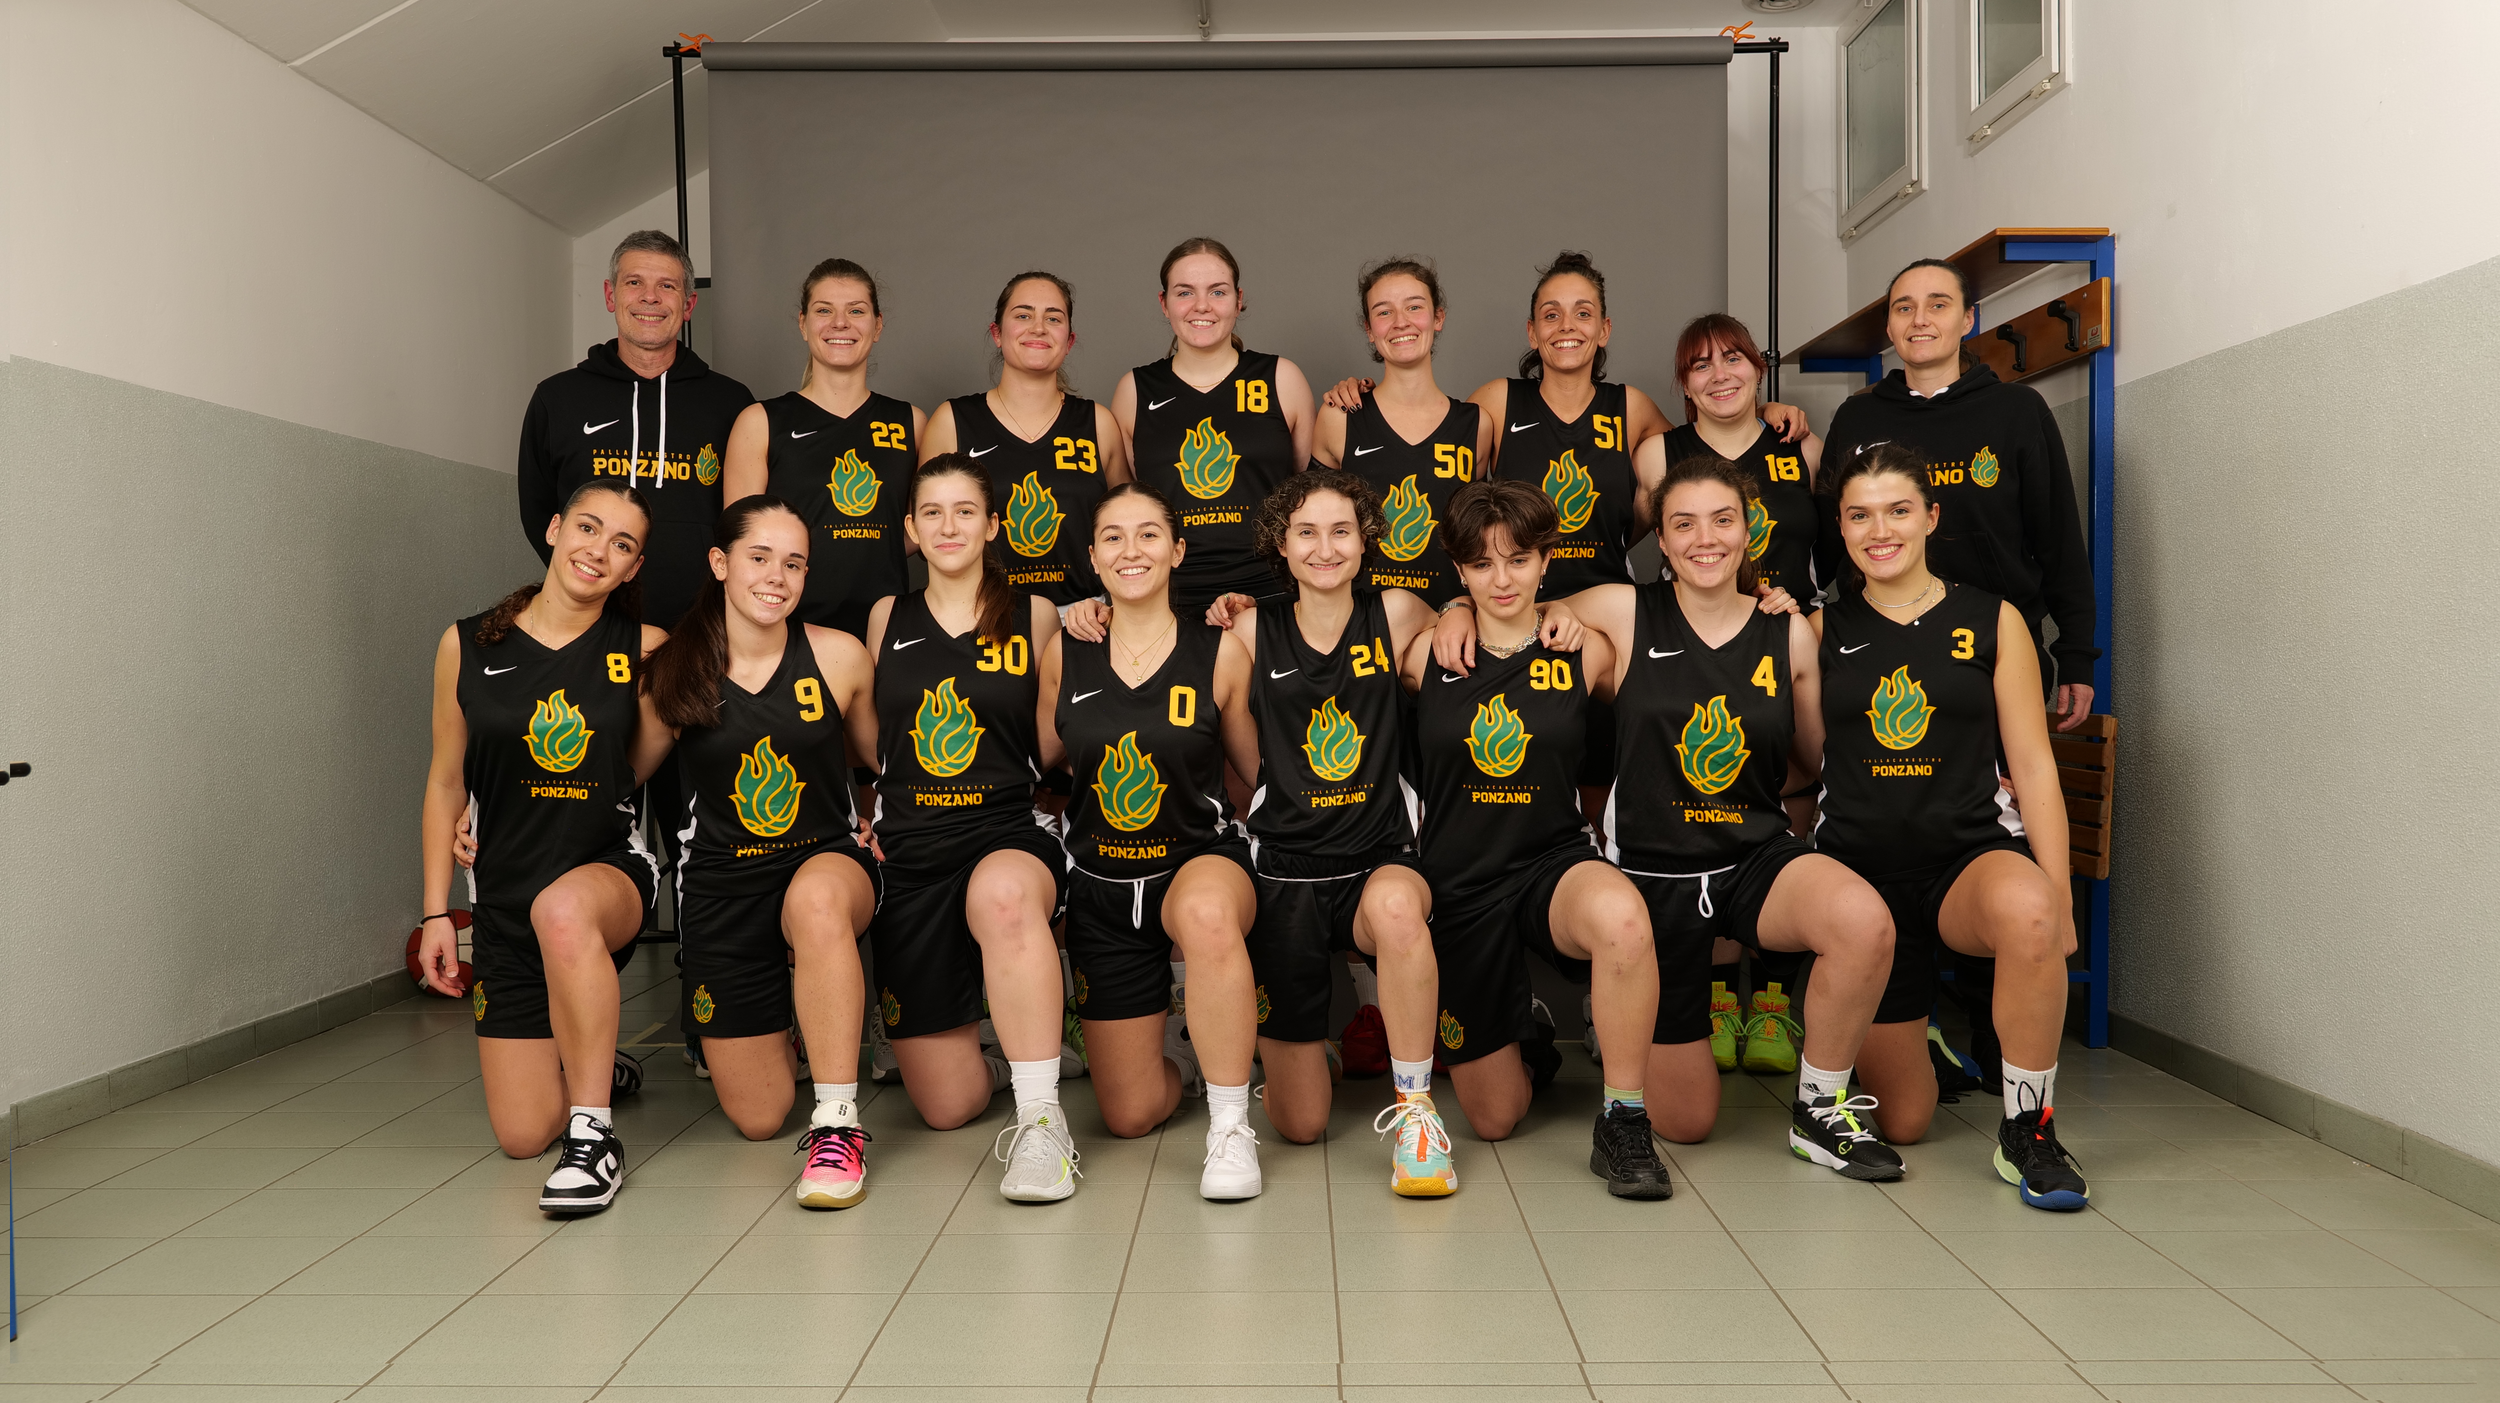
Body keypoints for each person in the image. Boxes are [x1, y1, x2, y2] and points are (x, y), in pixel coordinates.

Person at [1556, 457, 1901, 1177]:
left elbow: (1818, 760)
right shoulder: (1624, 610)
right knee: (1687, 1122)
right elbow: (1513, 603)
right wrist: (1459, 612)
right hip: (1651, 878)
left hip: (1754, 859)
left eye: (1722, 520)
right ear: (1661, 539)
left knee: (1863, 921)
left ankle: (1820, 1108)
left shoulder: (1789, 633)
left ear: (1748, 532)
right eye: (1683, 524)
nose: (1704, 538)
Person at [1813, 444, 2087, 1210]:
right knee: (1906, 1120)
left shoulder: (1993, 619)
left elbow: (2033, 766)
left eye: (1898, 510)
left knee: (2031, 909)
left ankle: (2030, 1127)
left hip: (1967, 859)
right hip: (1864, 880)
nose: (1880, 530)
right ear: (1840, 527)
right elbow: (1797, 761)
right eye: (1860, 515)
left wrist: (2059, 894)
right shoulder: (1817, 629)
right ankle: (1905, 1044)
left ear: (1931, 517)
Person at [1399, 479, 1671, 1199]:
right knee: (1495, 1119)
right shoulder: (1425, 651)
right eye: (1481, 564)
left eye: (1519, 559)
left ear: (1546, 560)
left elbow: (1680, 626)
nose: (1502, 579)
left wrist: (1769, 599)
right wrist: (1454, 610)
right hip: (1460, 883)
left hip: (1553, 862)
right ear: (1458, 569)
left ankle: (1624, 1119)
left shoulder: (1584, 650)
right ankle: (1529, 1037)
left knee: (1622, 917)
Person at [416, 482, 665, 1213]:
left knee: (563, 911)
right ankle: (588, 1053)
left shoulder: (647, 650)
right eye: (587, 528)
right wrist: (436, 912)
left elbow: (639, 766)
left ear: (634, 567)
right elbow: (446, 781)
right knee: (523, 1135)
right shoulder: (466, 643)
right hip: (505, 896)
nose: (598, 550)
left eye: (622, 544)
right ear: (554, 529)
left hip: (606, 876)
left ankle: (595, 1137)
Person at [1209, 470, 1453, 1194]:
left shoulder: (1398, 612)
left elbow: (1461, 623)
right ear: (1281, 545)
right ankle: (1306, 1060)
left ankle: (1416, 1112)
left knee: (1400, 911)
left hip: (1379, 856)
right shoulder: (1250, 629)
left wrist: (1460, 609)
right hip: (1285, 868)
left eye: (1341, 530)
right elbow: (1245, 754)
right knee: (1300, 1122)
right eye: (1307, 533)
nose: (1325, 547)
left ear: (1366, 539)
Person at [634, 497, 882, 1209]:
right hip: (721, 883)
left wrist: (881, 821)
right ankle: (800, 1026)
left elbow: (885, 765)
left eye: (794, 563)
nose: (778, 576)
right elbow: (617, 783)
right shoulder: (672, 669)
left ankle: (837, 1123)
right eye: (760, 557)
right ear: (720, 563)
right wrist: (481, 809)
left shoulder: (838, 655)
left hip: (826, 861)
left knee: (816, 900)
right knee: (760, 1115)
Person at [1037, 482, 1267, 1200]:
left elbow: (1257, 776)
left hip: (1197, 860)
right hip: (1102, 886)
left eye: (1148, 535)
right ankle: (1187, 1060)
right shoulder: (1064, 652)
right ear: (1093, 558)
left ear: (1177, 551)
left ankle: (1230, 1127)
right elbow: (1033, 762)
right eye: (1113, 537)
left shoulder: (1220, 652)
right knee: (1129, 1114)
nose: (1130, 550)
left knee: (1205, 911)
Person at [862, 456, 1077, 1202]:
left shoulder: (1039, 614)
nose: (948, 525)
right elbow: (873, 737)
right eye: (932, 512)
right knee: (947, 1105)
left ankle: (1041, 1118)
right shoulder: (886, 616)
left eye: (965, 511)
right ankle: (1012, 1044)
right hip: (912, 849)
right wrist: (862, 815)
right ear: (912, 529)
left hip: (1007, 827)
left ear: (993, 526)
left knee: (1004, 897)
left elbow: (1057, 730)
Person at [1818, 258, 2097, 732]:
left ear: (1968, 319)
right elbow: (1828, 539)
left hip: (1995, 654)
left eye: (1938, 305)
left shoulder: (2017, 412)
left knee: (2004, 780)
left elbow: (2059, 541)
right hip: (1876, 649)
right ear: (1889, 326)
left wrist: (2076, 655)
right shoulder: (1856, 419)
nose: (1919, 319)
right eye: (1904, 308)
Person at [518, 230, 754, 631]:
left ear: (688, 304)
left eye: (667, 286)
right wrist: (584, 584)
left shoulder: (732, 403)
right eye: (634, 283)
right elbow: (539, 511)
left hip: (702, 626)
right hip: (589, 622)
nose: (650, 298)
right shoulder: (557, 398)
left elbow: (746, 519)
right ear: (610, 295)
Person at [721, 258, 925, 638]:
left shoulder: (910, 422)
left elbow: (928, 524)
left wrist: (872, 551)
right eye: (824, 310)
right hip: (790, 630)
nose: (840, 323)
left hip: (885, 630)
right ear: (803, 324)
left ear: (878, 325)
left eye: (856, 311)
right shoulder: (761, 421)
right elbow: (742, 540)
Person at [1111, 237, 1315, 618]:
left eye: (1217, 292)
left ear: (1238, 300)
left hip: (1271, 597)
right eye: (1185, 292)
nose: (1201, 306)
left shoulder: (1282, 379)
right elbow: (1127, 510)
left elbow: (1311, 496)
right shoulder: (1134, 391)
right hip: (1169, 604)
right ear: (1164, 303)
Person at [921, 271, 1132, 610]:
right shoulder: (952, 422)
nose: (1038, 328)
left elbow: (1127, 528)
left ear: (1069, 340)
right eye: (1023, 315)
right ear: (997, 333)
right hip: (984, 615)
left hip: (1083, 618)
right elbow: (927, 531)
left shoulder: (1098, 423)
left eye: (1053, 318)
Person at [1307, 259, 1491, 606]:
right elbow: (1310, 526)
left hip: (1449, 621)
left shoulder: (1477, 424)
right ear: (1369, 329)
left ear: (1438, 317)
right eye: (1384, 312)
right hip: (1362, 623)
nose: (1400, 322)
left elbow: (1475, 536)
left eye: (1414, 307)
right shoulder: (1339, 416)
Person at [1650, 314, 1826, 611]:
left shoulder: (1805, 449)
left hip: (1795, 622)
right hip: (1689, 628)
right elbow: (1613, 537)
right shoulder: (1658, 453)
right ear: (1685, 385)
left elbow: (1842, 542)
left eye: (1732, 359)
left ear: (1758, 369)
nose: (1720, 375)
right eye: (1702, 366)